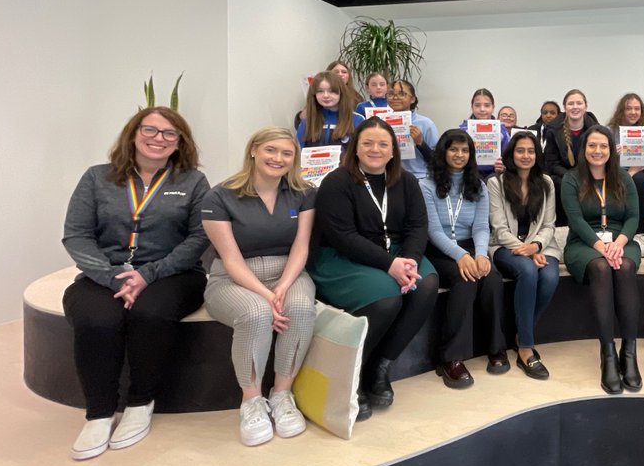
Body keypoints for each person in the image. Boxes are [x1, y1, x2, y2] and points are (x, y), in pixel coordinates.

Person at [61, 107, 210, 460]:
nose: (158, 138)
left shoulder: (192, 182)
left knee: (150, 313)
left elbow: (198, 239)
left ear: (179, 144)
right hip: (106, 273)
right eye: (150, 130)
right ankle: (98, 412)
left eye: (169, 134)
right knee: (97, 318)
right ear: (133, 134)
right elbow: (77, 236)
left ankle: (141, 402)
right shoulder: (97, 178)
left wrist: (149, 274)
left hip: (173, 274)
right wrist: (112, 275)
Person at [310, 118, 439, 420]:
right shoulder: (336, 182)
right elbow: (342, 237)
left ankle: (379, 365)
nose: (375, 149)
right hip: (343, 257)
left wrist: (407, 260)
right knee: (386, 296)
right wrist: (390, 265)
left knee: (428, 284)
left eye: (383, 144)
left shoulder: (406, 181)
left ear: (394, 151)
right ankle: (351, 374)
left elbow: (418, 225)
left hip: (394, 252)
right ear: (355, 148)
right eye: (367, 143)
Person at [201, 127, 316, 446]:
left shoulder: (303, 193)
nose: (278, 158)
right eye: (270, 150)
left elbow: (301, 247)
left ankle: (282, 395)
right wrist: (267, 296)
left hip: (288, 273)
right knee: (255, 314)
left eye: (286, 153)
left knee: (302, 309)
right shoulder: (220, 196)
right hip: (233, 277)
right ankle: (251, 401)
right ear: (253, 150)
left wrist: (282, 287)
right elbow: (231, 260)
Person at [421, 129, 507, 388]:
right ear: (443, 152)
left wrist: (481, 254)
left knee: (491, 278)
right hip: (439, 250)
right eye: (453, 149)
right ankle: (450, 358)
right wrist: (461, 256)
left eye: (465, 150)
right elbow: (433, 231)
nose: (459, 155)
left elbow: (482, 227)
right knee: (465, 278)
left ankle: (496, 348)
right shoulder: (426, 185)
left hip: (471, 245)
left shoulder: (478, 185)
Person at [561, 126, 642, 394]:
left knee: (626, 266)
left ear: (611, 150)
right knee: (600, 267)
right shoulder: (572, 179)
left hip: (621, 241)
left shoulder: (623, 178)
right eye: (592, 146)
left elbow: (632, 217)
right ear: (584, 150)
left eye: (603, 146)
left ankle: (629, 352)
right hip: (583, 242)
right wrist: (601, 247)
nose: (598, 151)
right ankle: (607, 354)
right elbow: (576, 220)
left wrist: (618, 244)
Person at [488, 131, 562, 379]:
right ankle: (526, 348)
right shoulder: (495, 183)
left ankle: (521, 331)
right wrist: (527, 253)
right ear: (511, 153)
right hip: (505, 246)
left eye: (531, 151)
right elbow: (498, 228)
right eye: (520, 150)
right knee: (528, 271)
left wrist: (536, 247)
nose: (526, 155)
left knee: (551, 277)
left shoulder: (546, 182)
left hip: (541, 247)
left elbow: (549, 224)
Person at [606, 92, 644, 256]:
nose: (633, 112)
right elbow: (604, 159)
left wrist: (631, 173)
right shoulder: (610, 129)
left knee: (641, 182)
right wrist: (613, 152)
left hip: (638, 169)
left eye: (637, 109)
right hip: (615, 170)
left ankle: (640, 232)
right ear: (622, 110)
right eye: (629, 108)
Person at [544, 88, 600, 223]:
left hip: (589, 172)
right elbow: (551, 162)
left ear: (585, 106)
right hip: (563, 175)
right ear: (564, 107)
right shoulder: (553, 129)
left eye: (579, 103)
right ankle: (562, 226)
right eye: (571, 104)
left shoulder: (595, 128)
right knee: (559, 184)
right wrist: (571, 177)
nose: (575, 107)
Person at [384, 78, 438, 180]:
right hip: (389, 176)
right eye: (391, 94)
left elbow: (437, 161)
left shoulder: (426, 124)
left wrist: (420, 143)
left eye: (401, 94)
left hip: (419, 177)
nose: (395, 97)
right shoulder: (382, 123)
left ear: (412, 99)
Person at [297, 70, 363, 151]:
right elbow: (300, 154)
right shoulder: (306, 122)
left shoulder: (357, 120)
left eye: (331, 91)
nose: (325, 95)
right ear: (314, 95)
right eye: (320, 91)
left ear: (341, 93)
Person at [459, 87, 509, 176]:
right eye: (477, 105)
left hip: (495, 175)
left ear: (493, 107)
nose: (482, 109)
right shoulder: (463, 130)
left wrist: (503, 167)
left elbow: (508, 158)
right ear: (472, 107)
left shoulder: (502, 131)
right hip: (468, 174)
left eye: (487, 105)